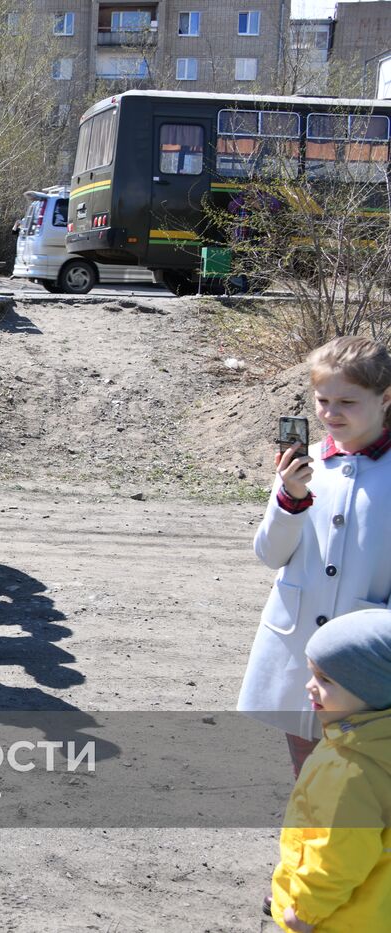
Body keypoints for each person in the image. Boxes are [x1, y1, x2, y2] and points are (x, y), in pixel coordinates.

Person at [238, 335, 391, 775]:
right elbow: (270, 554)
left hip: (366, 651)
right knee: (306, 763)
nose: (330, 413)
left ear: (385, 399)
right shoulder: (305, 467)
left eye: (347, 401)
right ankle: (308, 841)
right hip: (298, 644)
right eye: (322, 400)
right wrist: (291, 497)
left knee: (364, 768)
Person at [267, 608, 391, 933]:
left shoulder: (349, 767)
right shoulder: (374, 740)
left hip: (340, 918)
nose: (309, 686)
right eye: (312, 674)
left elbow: (337, 855)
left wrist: (306, 910)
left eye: (325, 680)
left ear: (371, 691)